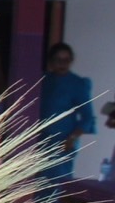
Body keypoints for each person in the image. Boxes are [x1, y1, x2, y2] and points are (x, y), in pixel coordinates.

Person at [38, 42, 95, 192]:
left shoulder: (77, 84)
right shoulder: (43, 80)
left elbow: (87, 117)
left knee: (58, 186)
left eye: (67, 60)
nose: (63, 64)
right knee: (40, 185)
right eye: (58, 60)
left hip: (64, 141)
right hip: (41, 140)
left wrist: (72, 138)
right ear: (51, 61)